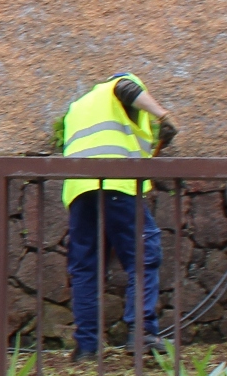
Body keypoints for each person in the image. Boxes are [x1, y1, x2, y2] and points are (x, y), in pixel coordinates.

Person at [58, 72, 176, 358]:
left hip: (79, 190)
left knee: (86, 267)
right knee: (143, 255)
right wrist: (163, 116)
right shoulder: (118, 86)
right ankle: (142, 334)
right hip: (116, 184)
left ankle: (87, 346)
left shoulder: (79, 106)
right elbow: (126, 87)